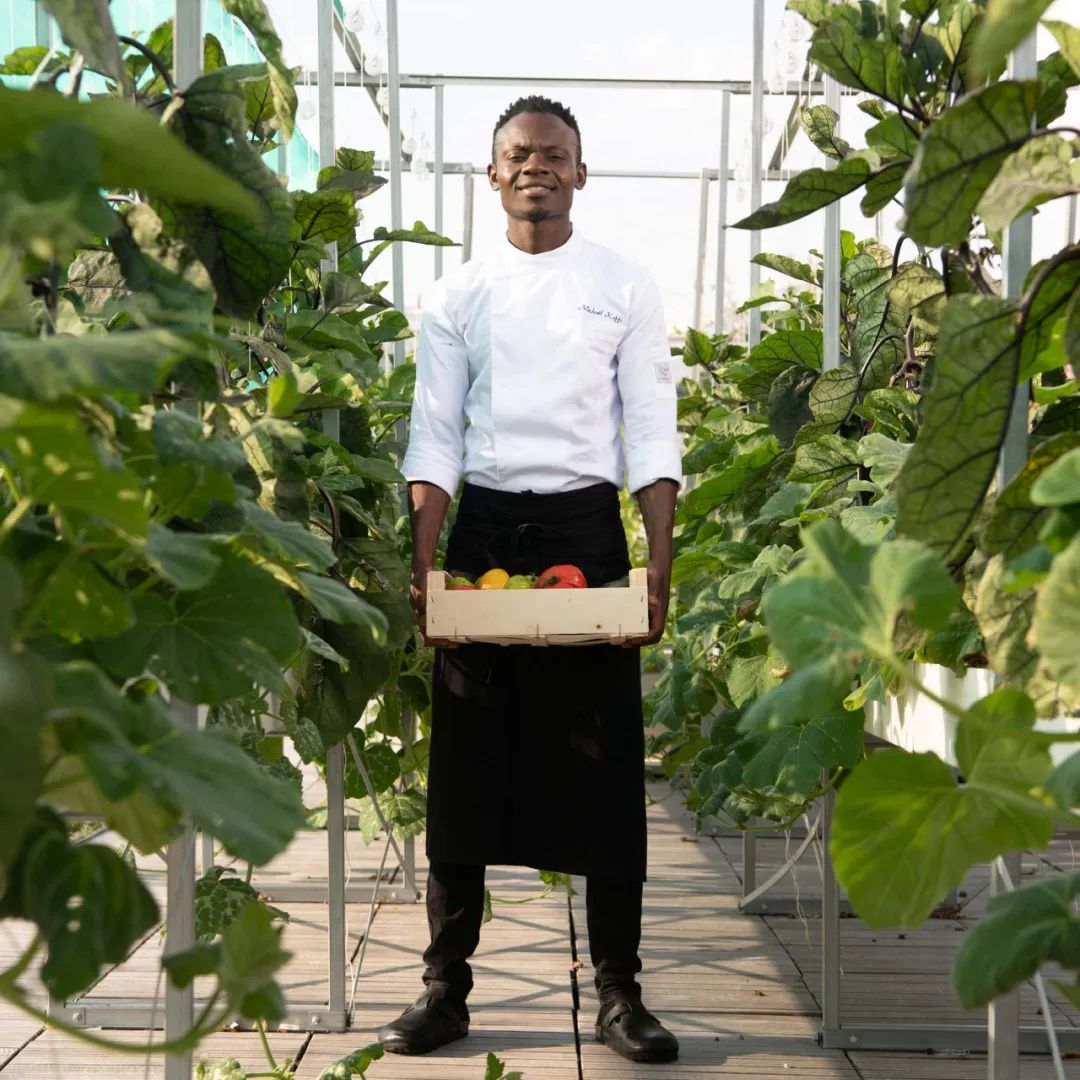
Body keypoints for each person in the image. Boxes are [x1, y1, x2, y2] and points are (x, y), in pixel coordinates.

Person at [378, 95, 681, 1065]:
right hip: (487, 534)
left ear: (582, 174)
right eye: (518, 155)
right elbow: (435, 432)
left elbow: (650, 424)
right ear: (493, 176)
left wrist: (658, 559)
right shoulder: (455, 293)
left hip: (587, 530)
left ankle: (620, 995)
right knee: (466, 761)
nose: (536, 167)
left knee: (604, 764)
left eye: (555, 155)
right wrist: (423, 564)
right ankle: (445, 989)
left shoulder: (624, 286)